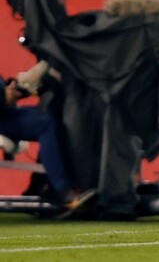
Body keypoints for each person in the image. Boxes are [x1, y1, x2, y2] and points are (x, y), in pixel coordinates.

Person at [0, 66, 96, 218]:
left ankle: (41, 185)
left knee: (53, 114)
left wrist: (10, 91)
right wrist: (5, 97)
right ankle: (62, 191)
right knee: (45, 124)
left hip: (7, 113)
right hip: (3, 118)